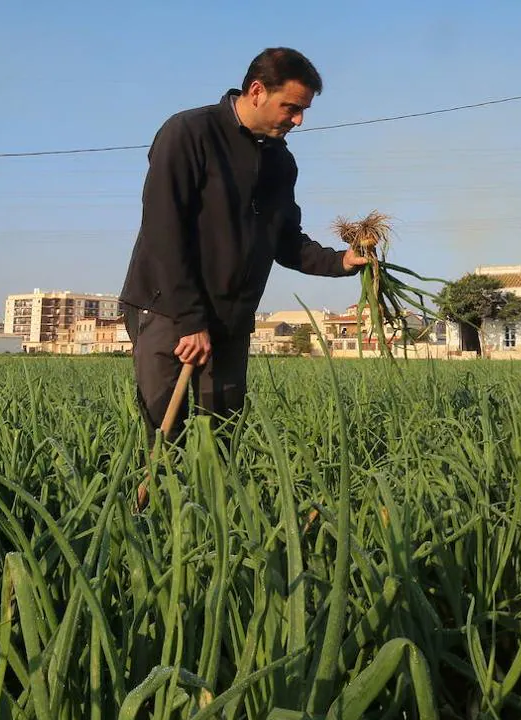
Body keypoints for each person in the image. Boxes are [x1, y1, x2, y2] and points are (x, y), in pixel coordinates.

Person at [119, 47, 367, 442]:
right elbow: (163, 231)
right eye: (291, 107)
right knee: (165, 437)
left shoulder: (280, 162)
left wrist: (342, 261)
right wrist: (190, 320)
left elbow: (285, 240)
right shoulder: (188, 133)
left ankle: (217, 506)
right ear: (256, 91)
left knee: (221, 436)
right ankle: (149, 505)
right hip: (168, 310)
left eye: (303, 110)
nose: (298, 120)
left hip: (231, 320)